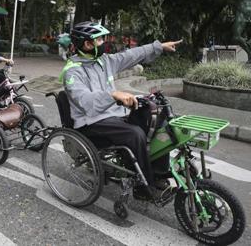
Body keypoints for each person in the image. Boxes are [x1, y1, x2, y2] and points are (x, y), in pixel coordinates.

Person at [61, 21, 182, 200]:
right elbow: (85, 101)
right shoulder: (72, 72)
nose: (104, 42)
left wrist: (159, 47)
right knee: (134, 134)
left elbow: (131, 55)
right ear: (87, 44)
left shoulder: (104, 61)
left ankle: (157, 175)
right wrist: (113, 95)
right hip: (91, 121)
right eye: (100, 40)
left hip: (114, 116)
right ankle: (143, 187)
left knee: (157, 118)